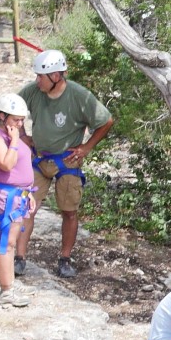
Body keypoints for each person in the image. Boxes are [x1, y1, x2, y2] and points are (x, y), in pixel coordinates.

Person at [15, 49, 114, 279]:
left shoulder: (79, 95)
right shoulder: (33, 91)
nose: (37, 80)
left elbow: (106, 120)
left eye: (41, 76)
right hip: (39, 159)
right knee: (26, 208)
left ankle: (65, 258)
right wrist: (22, 135)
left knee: (69, 212)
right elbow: (15, 108)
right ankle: (19, 257)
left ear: (56, 76)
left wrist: (86, 147)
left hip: (67, 162)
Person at [0, 94, 35, 307]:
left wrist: (27, 191)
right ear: (2, 116)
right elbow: (6, 164)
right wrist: (14, 141)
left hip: (17, 194)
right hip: (5, 195)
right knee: (7, 240)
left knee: (11, 239)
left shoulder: (12, 134)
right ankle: (6, 290)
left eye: (22, 120)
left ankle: (10, 282)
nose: (19, 124)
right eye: (15, 120)